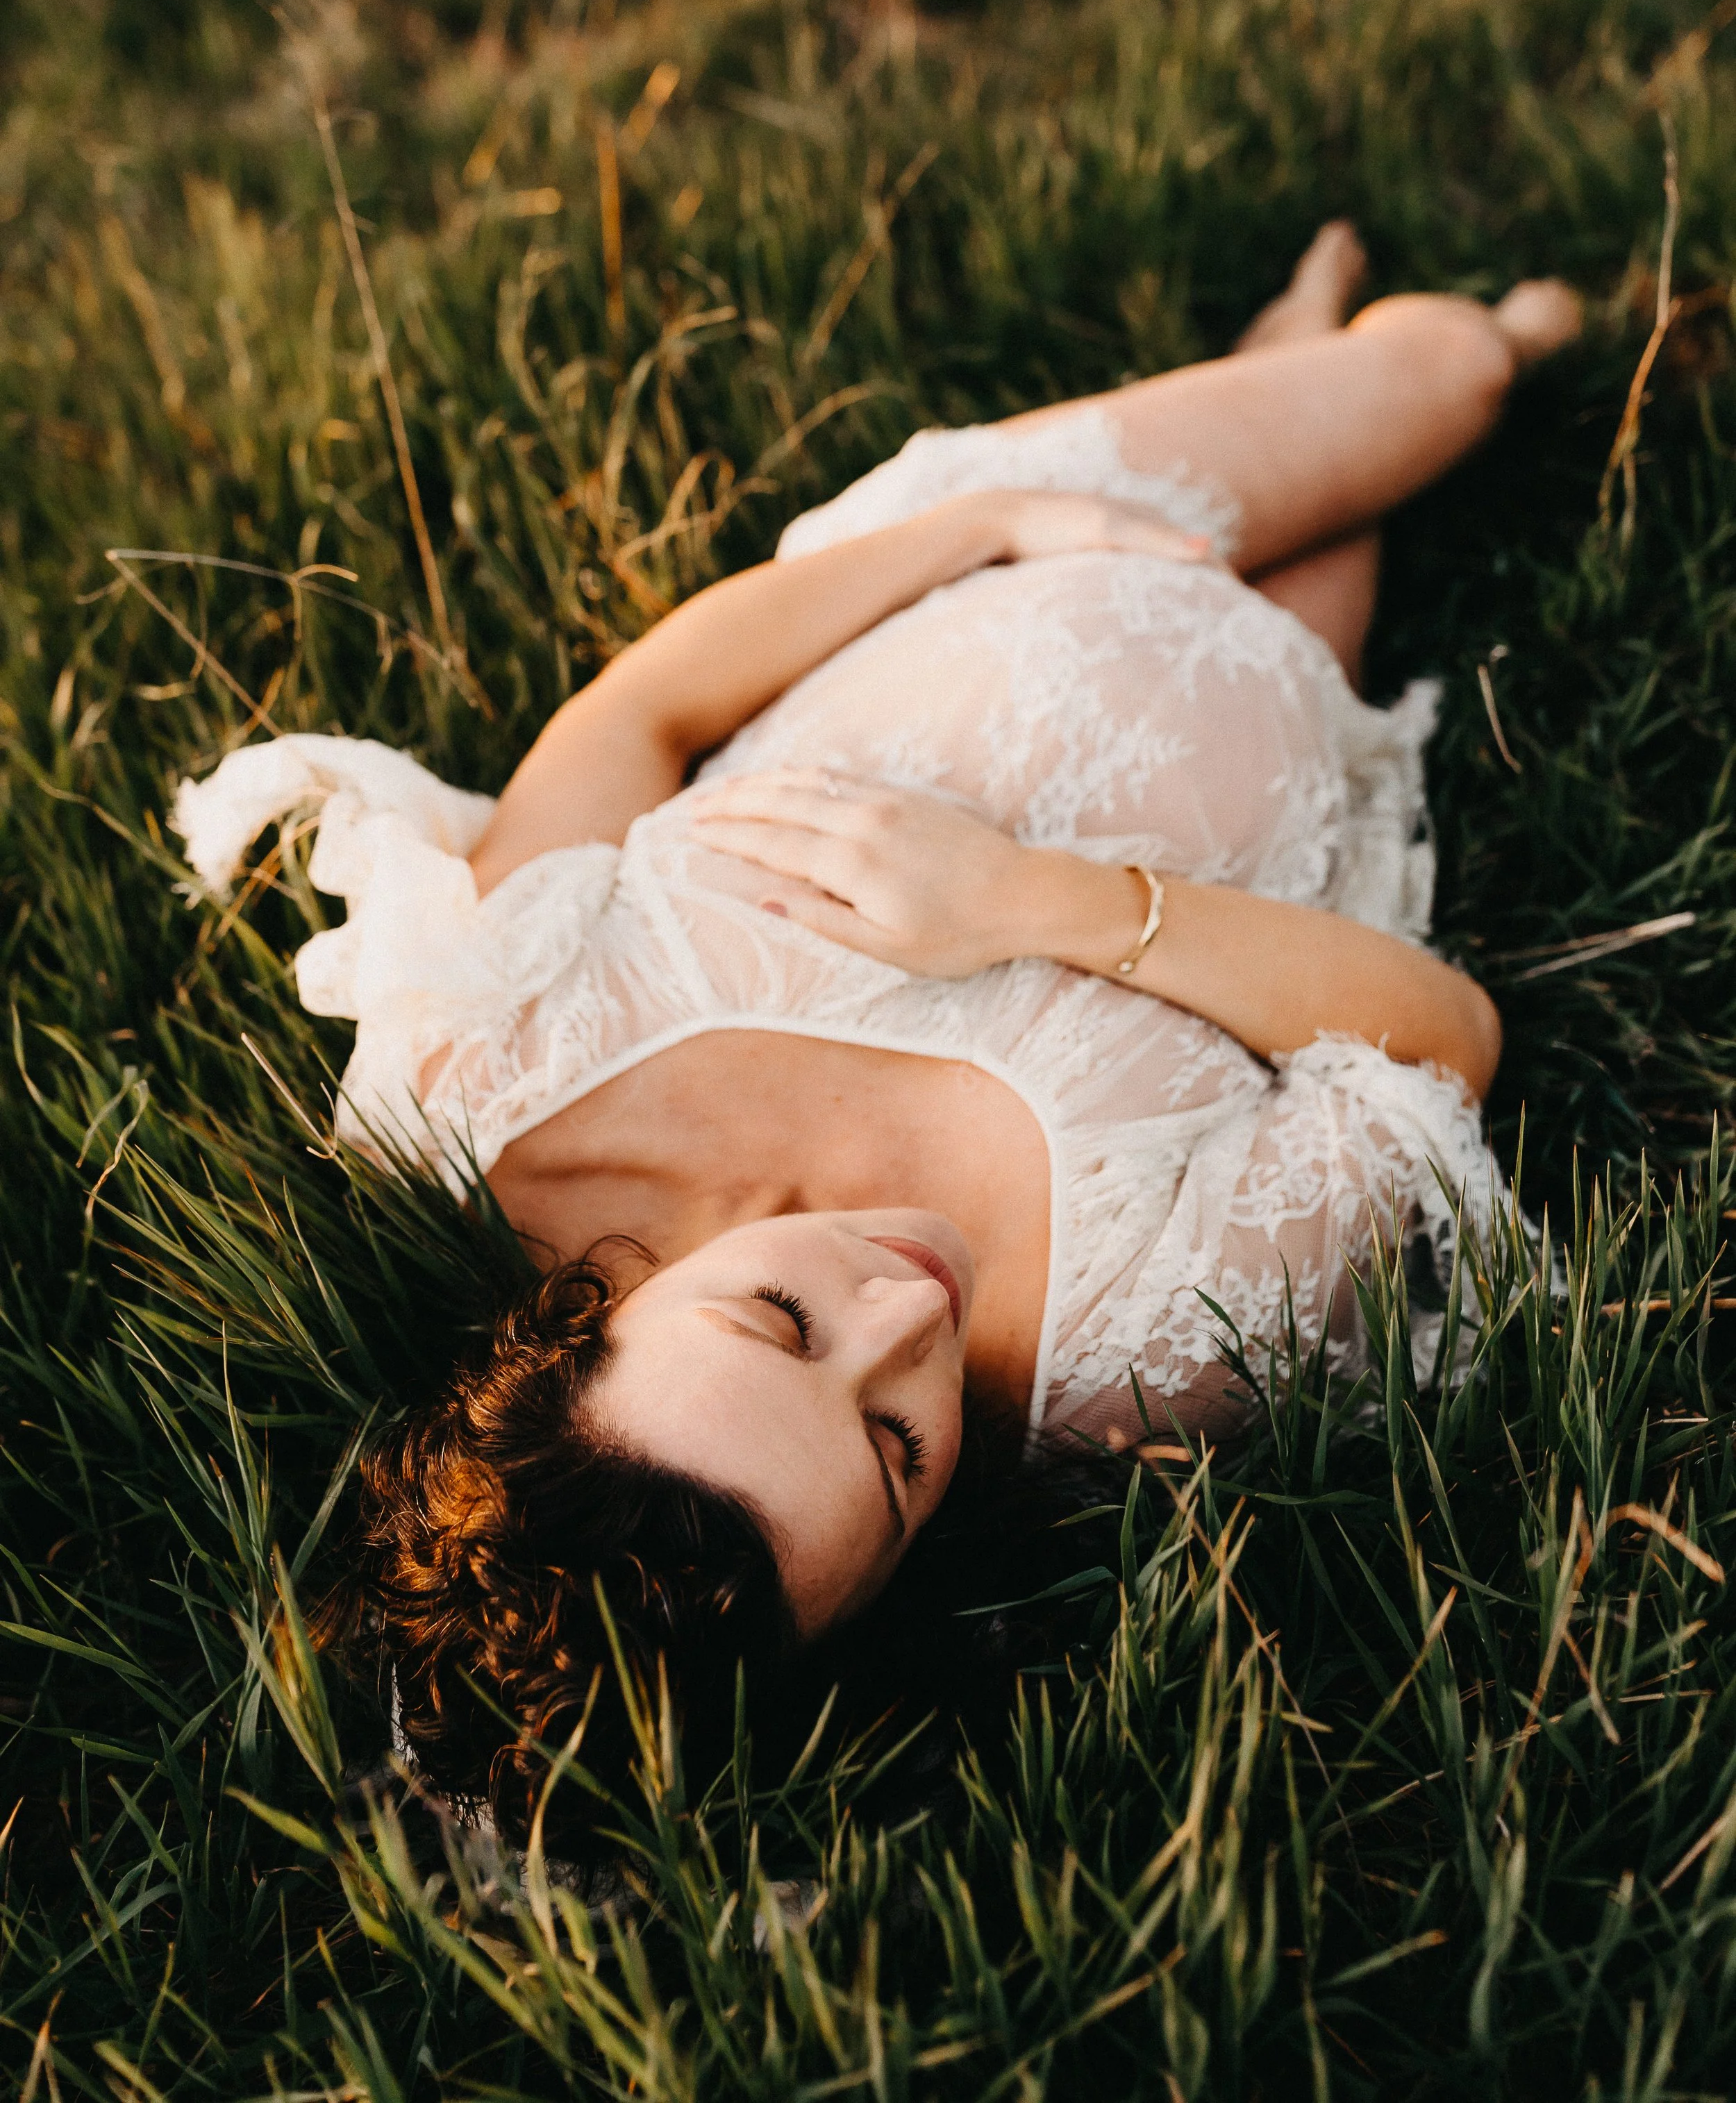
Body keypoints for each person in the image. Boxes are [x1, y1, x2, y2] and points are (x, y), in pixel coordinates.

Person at [172, 226, 1580, 1838]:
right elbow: (1440, 1041)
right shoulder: (1139, 1360)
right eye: (899, 1448)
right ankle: (1300, 375)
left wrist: (985, 524)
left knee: (1458, 362)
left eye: (778, 1319)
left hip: (1005, 562)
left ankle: (1312, 363)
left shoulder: (489, 1058)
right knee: (1405, 438)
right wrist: (1030, 902)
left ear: (573, 1331)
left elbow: (641, 711)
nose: (906, 1313)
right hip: (1273, 726)